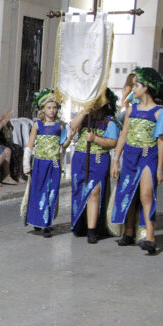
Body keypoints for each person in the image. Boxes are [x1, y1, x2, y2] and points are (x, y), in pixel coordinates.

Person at [111, 67, 163, 255]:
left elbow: (161, 141)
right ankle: (128, 232)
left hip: (147, 156)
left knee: (146, 194)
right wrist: (116, 159)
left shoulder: (159, 113)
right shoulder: (131, 110)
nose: (133, 88)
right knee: (128, 193)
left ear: (146, 88)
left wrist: (160, 168)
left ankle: (150, 236)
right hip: (129, 155)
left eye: (136, 85)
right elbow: (123, 134)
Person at [68, 88, 121, 243]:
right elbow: (72, 126)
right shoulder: (84, 117)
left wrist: (96, 139)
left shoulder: (110, 121)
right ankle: (80, 225)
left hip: (98, 159)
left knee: (94, 192)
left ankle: (92, 229)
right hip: (80, 158)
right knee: (79, 191)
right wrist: (84, 112)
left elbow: (113, 142)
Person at [21, 89, 69, 238]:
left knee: (51, 192)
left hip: (54, 164)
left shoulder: (60, 126)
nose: (52, 110)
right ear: (43, 109)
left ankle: (47, 224)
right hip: (40, 163)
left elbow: (63, 146)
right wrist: (26, 164)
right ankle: (37, 219)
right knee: (38, 191)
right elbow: (30, 145)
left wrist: (70, 136)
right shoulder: (38, 125)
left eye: (54, 108)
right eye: (49, 107)